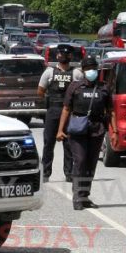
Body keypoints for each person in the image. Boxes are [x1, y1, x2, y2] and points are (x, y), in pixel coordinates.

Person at [56, 56, 112, 210]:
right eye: (88, 69)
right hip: (78, 128)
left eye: (93, 68)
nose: (91, 71)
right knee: (80, 161)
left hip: (97, 128)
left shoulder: (104, 88)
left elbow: (110, 111)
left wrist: (111, 131)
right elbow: (66, 109)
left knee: (91, 163)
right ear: (83, 70)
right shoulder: (75, 87)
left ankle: (85, 195)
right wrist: (60, 130)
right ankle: (77, 197)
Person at [37, 47, 83, 182]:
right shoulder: (49, 72)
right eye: (61, 53)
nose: (63, 56)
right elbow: (40, 91)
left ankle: (69, 173)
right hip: (53, 110)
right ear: (57, 56)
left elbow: (80, 92)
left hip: (70, 112)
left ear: (70, 56)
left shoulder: (76, 73)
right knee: (49, 143)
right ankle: (45, 173)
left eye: (66, 54)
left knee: (69, 144)